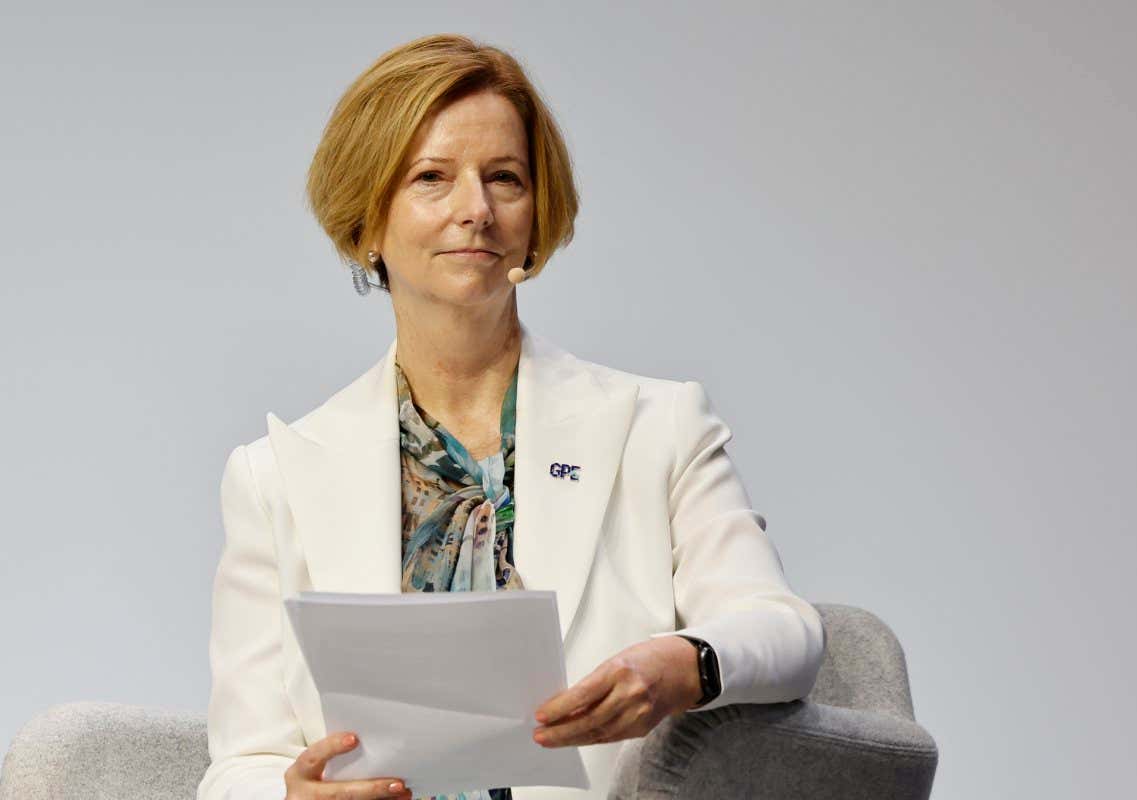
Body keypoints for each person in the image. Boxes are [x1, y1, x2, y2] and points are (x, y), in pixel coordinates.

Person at [196, 33, 826, 800]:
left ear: (536, 212)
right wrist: (291, 797)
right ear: (367, 223)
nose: (477, 210)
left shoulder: (657, 427)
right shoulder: (274, 478)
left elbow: (784, 631)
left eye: (505, 178)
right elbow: (241, 765)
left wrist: (682, 666)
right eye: (432, 178)